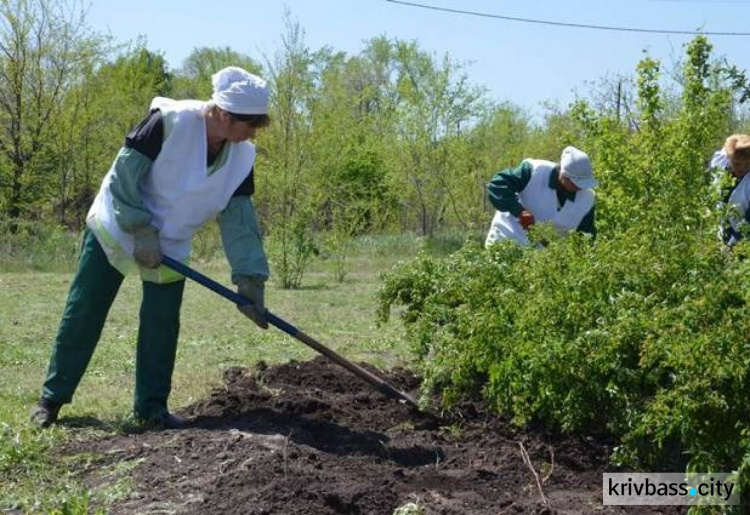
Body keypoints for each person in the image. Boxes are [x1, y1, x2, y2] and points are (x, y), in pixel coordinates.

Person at [30, 66, 272, 429]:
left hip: (171, 243)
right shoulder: (168, 121)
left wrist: (250, 279)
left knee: (161, 324)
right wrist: (140, 230)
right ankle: (51, 400)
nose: (252, 133)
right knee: (85, 310)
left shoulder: (241, 156)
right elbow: (123, 177)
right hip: (118, 225)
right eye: (249, 124)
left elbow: (240, 220)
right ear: (223, 113)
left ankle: (152, 409)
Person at [484, 146, 598, 247]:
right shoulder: (535, 171)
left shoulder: (587, 199)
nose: (579, 187)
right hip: (504, 243)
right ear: (563, 175)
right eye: (575, 182)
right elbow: (497, 185)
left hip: (538, 262)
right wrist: (519, 212)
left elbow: (586, 238)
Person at [709, 134, 750, 246]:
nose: (742, 168)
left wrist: (733, 244)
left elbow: (748, 222)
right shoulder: (720, 164)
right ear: (729, 158)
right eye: (737, 164)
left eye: (747, 164)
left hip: (744, 238)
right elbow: (708, 189)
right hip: (718, 228)